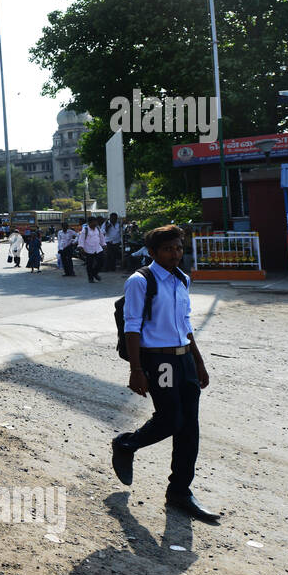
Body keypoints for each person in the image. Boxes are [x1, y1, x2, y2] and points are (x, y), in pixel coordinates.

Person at [111, 225, 219, 522]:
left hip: (183, 360)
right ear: (153, 252)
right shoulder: (140, 281)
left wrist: (198, 361)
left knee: (189, 427)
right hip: (160, 362)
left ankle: (180, 492)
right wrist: (136, 369)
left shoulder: (182, 279)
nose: (176, 253)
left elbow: (185, 324)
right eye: (169, 249)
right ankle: (126, 444)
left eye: (179, 248)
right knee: (171, 418)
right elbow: (132, 326)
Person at [78, 216, 105, 282]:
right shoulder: (85, 230)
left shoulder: (98, 229)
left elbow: (101, 237)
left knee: (101, 262)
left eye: (96, 221)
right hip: (88, 249)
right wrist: (81, 247)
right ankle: (90, 278)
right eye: (94, 222)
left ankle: (94, 273)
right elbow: (81, 239)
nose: (95, 223)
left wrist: (104, 245)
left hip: (98, 248)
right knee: (89, 265)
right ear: (90, 222)